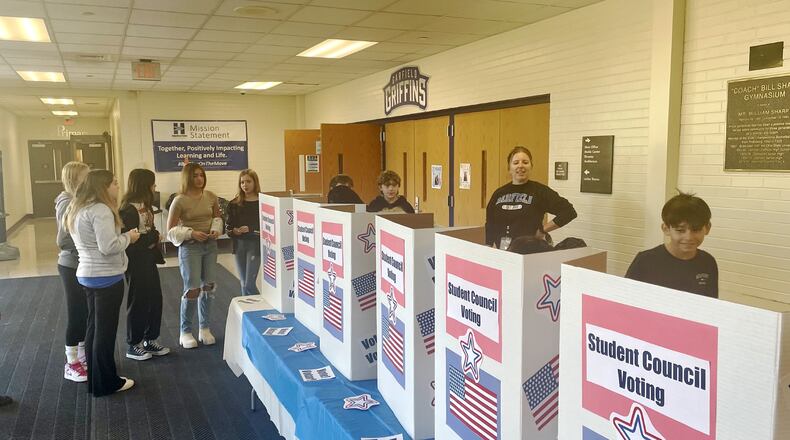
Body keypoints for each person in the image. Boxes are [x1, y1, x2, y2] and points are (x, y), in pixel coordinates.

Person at [66, 169, 140, 396]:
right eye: (114, 183)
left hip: (87, 274)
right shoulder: (101, 210)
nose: (118, 186)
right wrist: (130, 237)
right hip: (105, 276)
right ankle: (107, 382)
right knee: (104, 332)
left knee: (93, 328)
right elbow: (108, 247)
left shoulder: (79, 208)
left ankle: (96, 379)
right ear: (103, 187)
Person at [167, 163, 223, 349]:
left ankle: (204, 328)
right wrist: (191, 233)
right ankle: (186, 331)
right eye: (195, 176)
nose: (199, 179)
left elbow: (217, 218)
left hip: (210, 246)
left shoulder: (211, 196)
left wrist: (215, 230)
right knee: (192, 288)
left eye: (201, 175)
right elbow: (171, 231)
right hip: (190, 248)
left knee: (208, 286)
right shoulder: (179, 200)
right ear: (187, 178)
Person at [626, 192, 718, 298]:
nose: (688, 237)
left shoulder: (708, 262)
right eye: (680, 230)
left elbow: (711, 303)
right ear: (666, 229)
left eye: (696, 230)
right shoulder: (645, 261)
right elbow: (627, 301)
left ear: (707, 228)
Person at [120, 169, 169, 361]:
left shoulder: (145, 205)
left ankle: (150, 338)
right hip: (135, 261)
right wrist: (150, 238)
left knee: (154, 298)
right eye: (152, 183)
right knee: (138, 300)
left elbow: (151, 231)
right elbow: (132, 239)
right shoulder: (128, 209)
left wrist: (151, 238)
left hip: (149, 258)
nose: (154, 187)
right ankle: (134, 343)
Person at [485, 146, 577, 248]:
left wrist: (543, 229)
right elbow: (490, 223)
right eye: (516, 163)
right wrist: (488, 245)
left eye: (525, 162)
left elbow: (569, 212)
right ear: (509, 168)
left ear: (531, 166)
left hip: (530, 252)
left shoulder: (540, 191)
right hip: (503, 253)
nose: (520, 166)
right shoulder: (499, 193)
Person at [55, 161, 90, 383]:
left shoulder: (81, 201)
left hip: (84, 264)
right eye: (86, 177)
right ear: (75, 178)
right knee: (76, 313)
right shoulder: (67, 202)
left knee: (86, 312)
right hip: (71, 265)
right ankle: (71, 363)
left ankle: (83, 356)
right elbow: (63, 238)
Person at [226, 169, 262, 296]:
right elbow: (228, 227)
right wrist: (234, 231)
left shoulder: (262, 202)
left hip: (255, 245)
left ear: (255, 182)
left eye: (248, 181)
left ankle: (261, 307)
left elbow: (267, 226)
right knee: (243, 283)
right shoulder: (234, 204)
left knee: (249, 284)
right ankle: (248, 311)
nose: (245, 185)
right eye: (242, 182)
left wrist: (251, 229)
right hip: (239, 246)